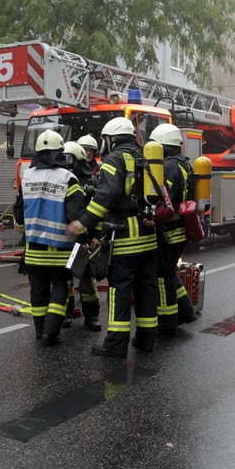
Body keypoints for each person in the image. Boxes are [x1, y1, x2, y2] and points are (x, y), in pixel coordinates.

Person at [67, 117, 160, 357]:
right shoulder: (144, 156)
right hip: (149, 235)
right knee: (146, 288)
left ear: (112, 139)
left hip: (125, 235)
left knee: (119, 289)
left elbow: (105, 197)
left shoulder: (114, 159)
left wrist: (83, 222)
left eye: (106, 139)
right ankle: (146, 339)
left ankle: (116, 344)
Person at [14, 130, 84, 344]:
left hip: (33, 249)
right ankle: (50, 334)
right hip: (59, 249)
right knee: (60, 288)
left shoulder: (27, 177)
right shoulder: (67, 178)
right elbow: (76, 215)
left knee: (38, 292)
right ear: (60, 152)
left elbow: (19, 214)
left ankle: (39, 332)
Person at [149, 123, 197, 334]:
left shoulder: (168, 166)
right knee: (169, 271)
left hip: (169, 229)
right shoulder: (185, 164)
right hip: (182, 228)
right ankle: (186, 312)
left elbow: (161, 198)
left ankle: (167, 323)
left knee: (163, 275)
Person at [60, 140, 101, 332]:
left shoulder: (90, 180)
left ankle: (91, 316)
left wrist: (95, 235)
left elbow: (96, 211)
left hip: (84, 237)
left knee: (86, 279)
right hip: (65, 236)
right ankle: (66, 313)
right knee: (64, 278)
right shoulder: (61, 178)